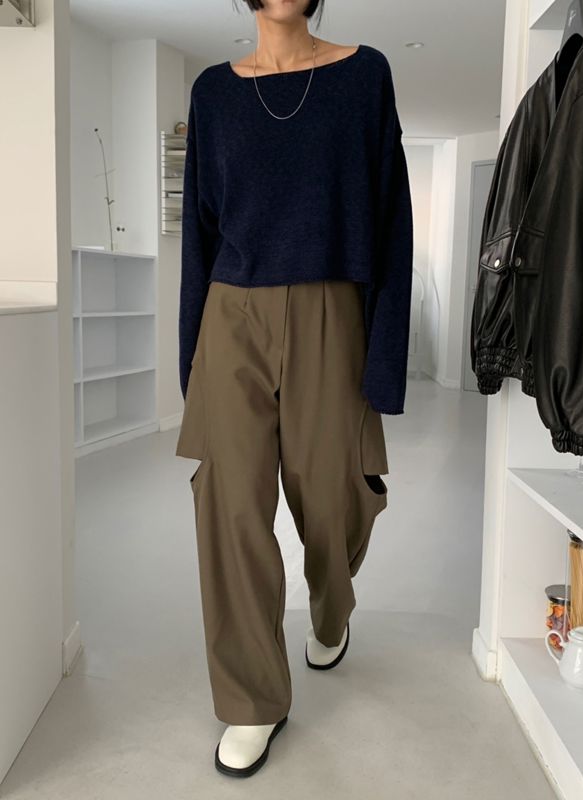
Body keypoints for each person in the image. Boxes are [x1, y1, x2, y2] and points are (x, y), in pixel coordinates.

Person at [175, 0, 413, 778]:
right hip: (231, 314)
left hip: (332, 309)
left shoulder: (364, 76)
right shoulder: (213, 93)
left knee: (335, 494)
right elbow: (200, 239)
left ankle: (332, 607)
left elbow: (392, 222)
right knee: (230, 507)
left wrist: (384, 360)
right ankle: (253, 700)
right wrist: (192, 364)